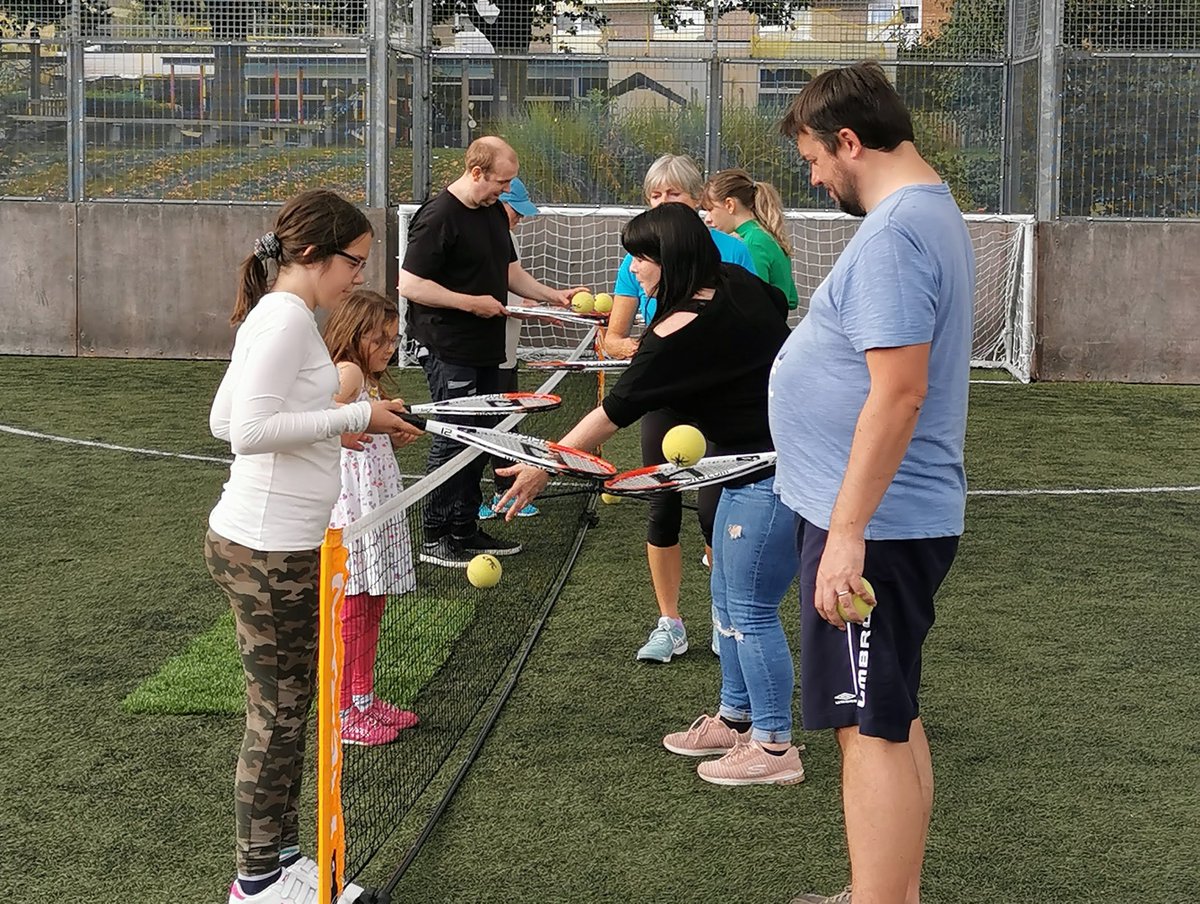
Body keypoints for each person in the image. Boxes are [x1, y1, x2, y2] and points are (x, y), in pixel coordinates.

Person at [496, 203, 802, 786]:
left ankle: (774, 747)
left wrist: (544, 466)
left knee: (753, 612)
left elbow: (611, 413)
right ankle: (735, 721)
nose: (633, 269)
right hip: (742, 467)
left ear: (675, 258)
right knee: (727, 599)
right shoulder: (744, 285)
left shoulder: (672, 335)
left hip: (772, 475)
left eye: (643, 257)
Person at [770, 62, 975, 904]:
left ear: (849, 141)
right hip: (881, 521)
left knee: (870, 728)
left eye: (815, 158)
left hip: (876, 531)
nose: (815, 178)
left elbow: (898, 393)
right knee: (889, 712)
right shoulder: (926, 210)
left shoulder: (894, 234)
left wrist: (846, 534)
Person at [204, 190, 422, 904]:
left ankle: (281, 859)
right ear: (310, 255)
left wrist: (333, 420)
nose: (358, 276)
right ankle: (258, 881)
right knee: (281, 716)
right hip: (270, 552)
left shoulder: (282, 317)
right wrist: (359, 412)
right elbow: (242, 433)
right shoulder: (286, 321)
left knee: (289, 710)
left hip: (272, 544)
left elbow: (226, 416)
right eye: (353, 262)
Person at [599, 154, 760, 664]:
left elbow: (748, 323)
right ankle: (670, 622)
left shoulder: (733, 251)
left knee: (715, 512)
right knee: (661, 505)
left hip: (721, 404)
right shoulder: (637, 258)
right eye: (655, 195)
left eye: (674, 195)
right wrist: (656, 350)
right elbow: (614, 338)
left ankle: (722, 614)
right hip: (665, 397)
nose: (664, 203)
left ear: (698, 201)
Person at [399, 136, 584, 568]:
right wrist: (471, 303)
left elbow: (509, 273)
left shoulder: (492, 216)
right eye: (501, 181)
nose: (505, 190)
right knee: (453, 439)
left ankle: (465, 528)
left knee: (485, 438)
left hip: (486, 346)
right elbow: (409, 285)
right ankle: (435, 535)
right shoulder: (439, 216)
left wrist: (552, 296)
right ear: (476, 172)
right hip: (448, 347)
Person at [324, 289, 419, 747]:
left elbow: (360, 429)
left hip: (375, 503)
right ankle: (342, 711)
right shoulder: (347, 372)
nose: (389, 348)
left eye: (394, 339)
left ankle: (363, 699)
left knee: (370, 605)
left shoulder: (367, 377)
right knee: (353, 610)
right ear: (354, 335)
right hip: (352, 510)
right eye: (380, 339)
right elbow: (327, 418)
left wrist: (389, 435)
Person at [479, 175, 541, 520]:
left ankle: (504, 491)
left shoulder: (506, 238)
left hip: (506, 351)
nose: (518, 218)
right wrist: (534, 306)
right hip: (487, 353)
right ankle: (487, 495)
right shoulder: (485, 235)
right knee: (488, 427)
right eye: (514, 211)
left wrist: (541, 304)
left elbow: (512, 285)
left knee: (506, 423)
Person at [703, 168, 800, 309]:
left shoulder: (752, 243)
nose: (707, 219)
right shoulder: (766, 235)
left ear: (730, 205)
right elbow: (792, 299)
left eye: (710, 209)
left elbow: (752, 301)